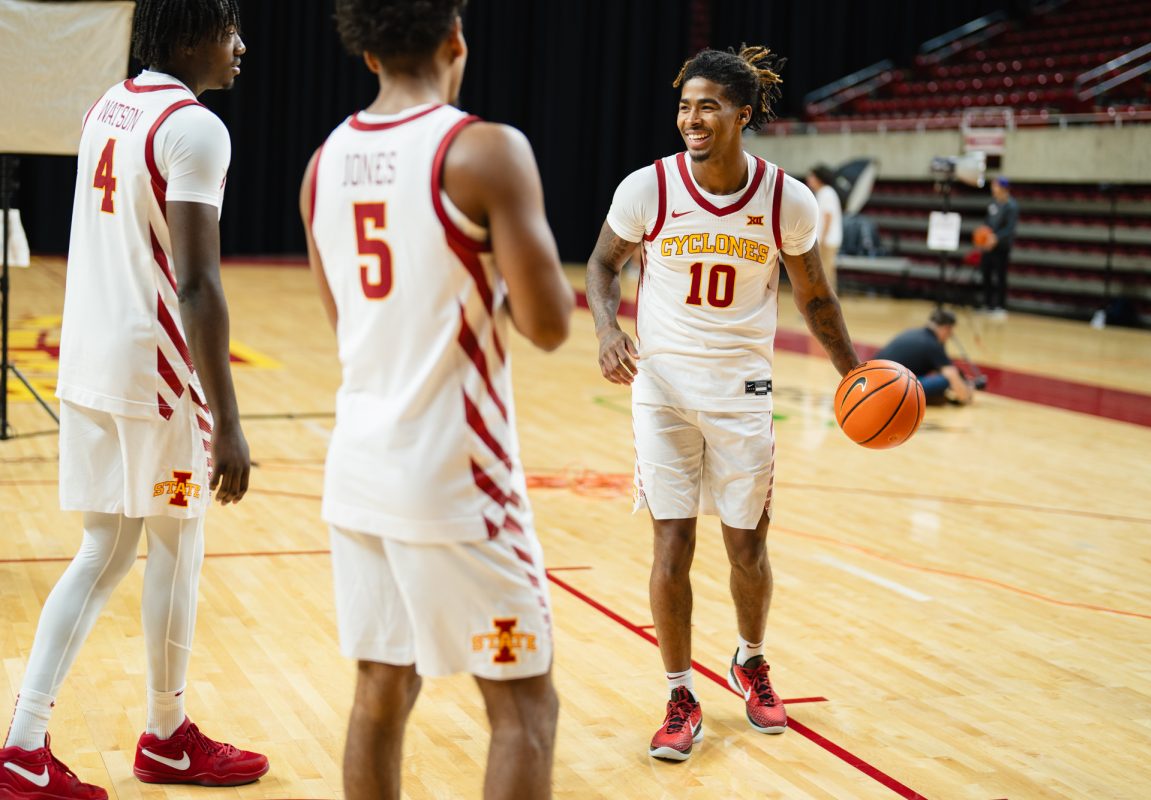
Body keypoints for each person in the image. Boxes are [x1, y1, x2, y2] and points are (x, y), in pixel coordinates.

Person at [299, 1, 574, 797]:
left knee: (381, 693)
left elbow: (344, 320)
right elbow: (550, 325)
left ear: (368, 56)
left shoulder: (323, 163)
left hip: (358, 464)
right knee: (526, 710)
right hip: (456, 475)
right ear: (456, 39)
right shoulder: (484, 150)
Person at [0, 2, 268, 797]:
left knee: (106, 549)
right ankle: (166, 734)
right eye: (230, 30)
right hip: (155, 379)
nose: (241, 46)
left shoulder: (106, 104)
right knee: (175, 548)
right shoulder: (194, 128)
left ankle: (23, 742)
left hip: (89, 364)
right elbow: (197, 281)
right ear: (190, 35)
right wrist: (227, 420)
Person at [585, 45, 860, 762]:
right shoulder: (649, 188)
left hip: (743, 395)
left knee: (747, 548)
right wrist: (608, 328)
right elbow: (602, 264)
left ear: (742, 114)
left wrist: (852, 372)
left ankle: (751, 659)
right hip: (663, 393)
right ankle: (680, 693)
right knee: (672, 543)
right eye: (684, 105)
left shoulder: (785, 200)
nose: (691, 118)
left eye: (707, 105)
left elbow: (815, 296)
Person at [875, 309, 976, 405]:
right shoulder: (933, 344)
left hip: (874, 382)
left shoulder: (913, 333)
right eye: (950, 332)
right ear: (946, 328)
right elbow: (952, 376)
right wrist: (968, 394)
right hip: (890, 389)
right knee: (945, 380)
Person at [979, 176, 1019, 319]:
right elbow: (987, 223)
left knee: (1000, 276)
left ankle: (1000, 307)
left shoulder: (1011, 206)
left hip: (1001, 247)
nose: (993, 189)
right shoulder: (993, 204)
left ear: (1003, 188)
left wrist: (996, 238)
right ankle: (988, 305)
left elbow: (1010, 228)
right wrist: (984, 236)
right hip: (988, 246)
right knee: (986, 274)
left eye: (995, 186)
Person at [805, 164, 842, 291]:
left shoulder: (827, 192)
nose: (809, 179)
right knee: (824, 273)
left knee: (825, 274)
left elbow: (828, 217)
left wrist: (821, 240)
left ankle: (828, 305)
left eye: (811, 176)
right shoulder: (823, 192)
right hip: (826, 240)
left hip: (827, 241)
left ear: (819, 178)